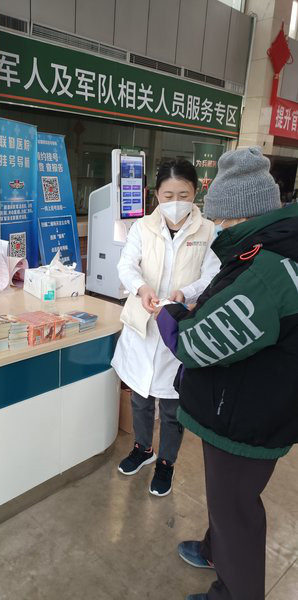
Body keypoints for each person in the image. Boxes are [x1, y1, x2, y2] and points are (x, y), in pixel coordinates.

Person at [156, 147, 298, 600]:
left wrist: (170, 318)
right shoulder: (275, 246)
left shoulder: (267, 271)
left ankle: (234, 591)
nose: (217, 226)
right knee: (226, 500)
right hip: (260, 402)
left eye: (221, 219)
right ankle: (215, 549)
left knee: (235, 508)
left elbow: (196, 343)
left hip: (245, 416)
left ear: (241, 214)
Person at [111, 159, 220, 496]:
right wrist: (141, 288)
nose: (175, 202)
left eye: (183, 195)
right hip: (143, 323)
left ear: (195, 193)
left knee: (173, 406)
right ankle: (143, 449)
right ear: (156, 194)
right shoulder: (141, 227)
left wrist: (186, 293)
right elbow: (126, 265)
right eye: (168, 195)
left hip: (179, 326)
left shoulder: (208, 232)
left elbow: (213, 274)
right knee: (140, 398)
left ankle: (166, 463)